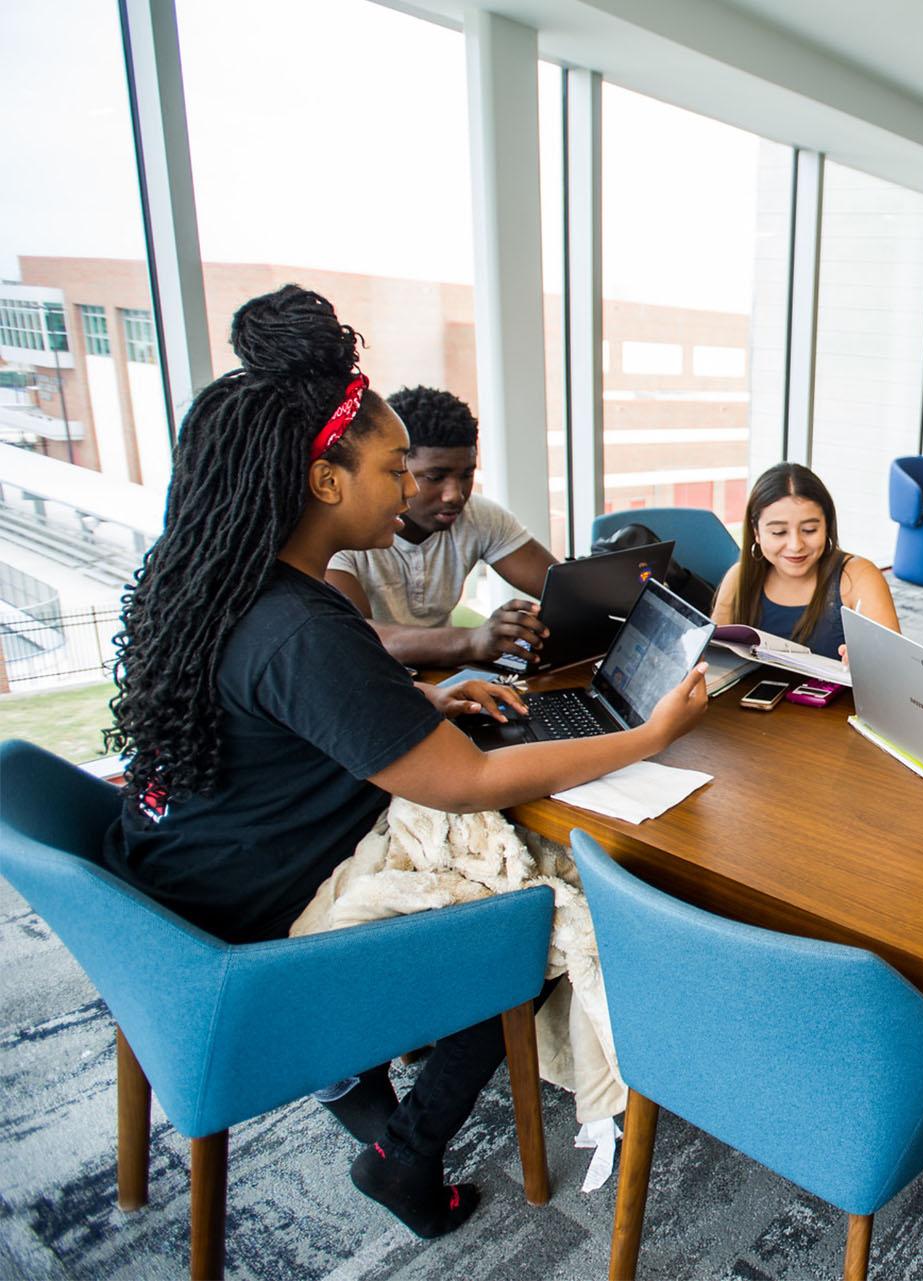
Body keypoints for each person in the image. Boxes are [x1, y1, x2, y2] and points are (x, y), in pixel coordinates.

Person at [99, 285, 709, 1240]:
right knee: (528, 915)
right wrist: (648, 737)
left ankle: (360, 1078)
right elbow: (461, 782)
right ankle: (403, 1150)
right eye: (394, 468)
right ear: (326, 479)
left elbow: (294, 715)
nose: (411, 490)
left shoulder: (231, 579)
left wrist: (419, 702)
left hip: (168, 884)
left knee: (487, 856)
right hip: (248, 931)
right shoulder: (305, 623)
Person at [326, 385, 558, 667]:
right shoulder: (346, 530)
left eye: (467, 475)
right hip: (376, 679)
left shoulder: (479, 516)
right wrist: (472, 640)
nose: (456, 495)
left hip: (444, 677)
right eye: (436, 477)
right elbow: (356, 638)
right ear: (398, 468)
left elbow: (561, 592)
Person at [711, 462, 899, 659]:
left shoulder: (857, 576)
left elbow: (895, 666)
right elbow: (715, 663)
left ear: (827, 525)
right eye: (778, 532)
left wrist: (870, 662)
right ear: (756, 532)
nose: (795, 545)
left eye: (809, 530)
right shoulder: (739, 579)